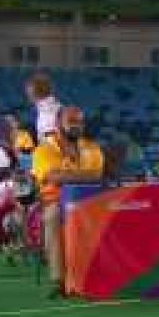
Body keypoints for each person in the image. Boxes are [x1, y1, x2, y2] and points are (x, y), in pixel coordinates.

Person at [30, 106, 105, 297]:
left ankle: (97, 274)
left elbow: (97, 175)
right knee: (53, 216)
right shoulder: (43, 149)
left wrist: (67, 175)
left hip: (90, 201)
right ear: (57, 124)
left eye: (80, 122)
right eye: (71, 121)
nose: (77, 126)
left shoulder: (92, 147)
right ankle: (59, 281)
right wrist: (82, 175)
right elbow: (53, 177)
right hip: (55, 202)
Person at [24, 72, 61, 144]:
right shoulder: (56, 105)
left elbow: (50, 142)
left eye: (29, 91)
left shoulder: (46, 113)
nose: (27, 94)